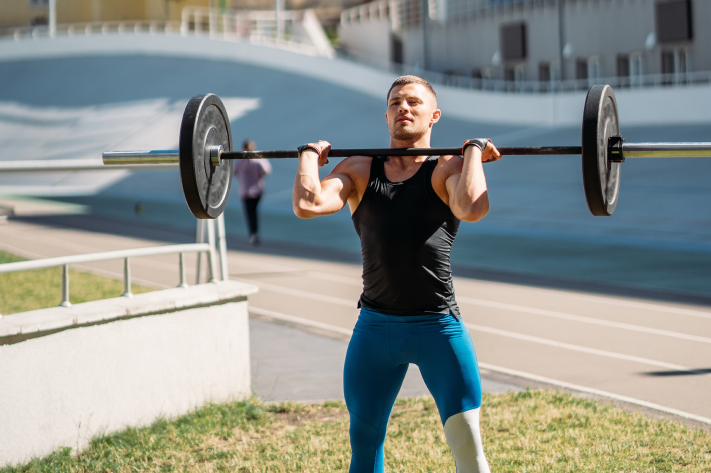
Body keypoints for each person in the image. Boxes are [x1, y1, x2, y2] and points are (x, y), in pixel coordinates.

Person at [292, 75, 501, 473]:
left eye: (413, 102)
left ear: (433, 115)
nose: (403, 108)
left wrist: (472, 152)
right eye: (395, 103)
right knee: (364, 449)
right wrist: (307, 156)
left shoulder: (445, 169)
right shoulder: (358, 169)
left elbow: (472, 207)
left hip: (439, 328)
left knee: (469, 451)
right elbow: (308, 204)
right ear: (386, 115)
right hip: (374, 330)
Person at [233, 139, 272, 246]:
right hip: (254, 189)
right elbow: (267, 170)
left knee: (250, 213)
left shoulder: (240, 161)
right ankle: (254, 233)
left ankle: (253, 234)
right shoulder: (257, 159)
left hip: (248, 190)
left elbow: (233, 172)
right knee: (253, 212)